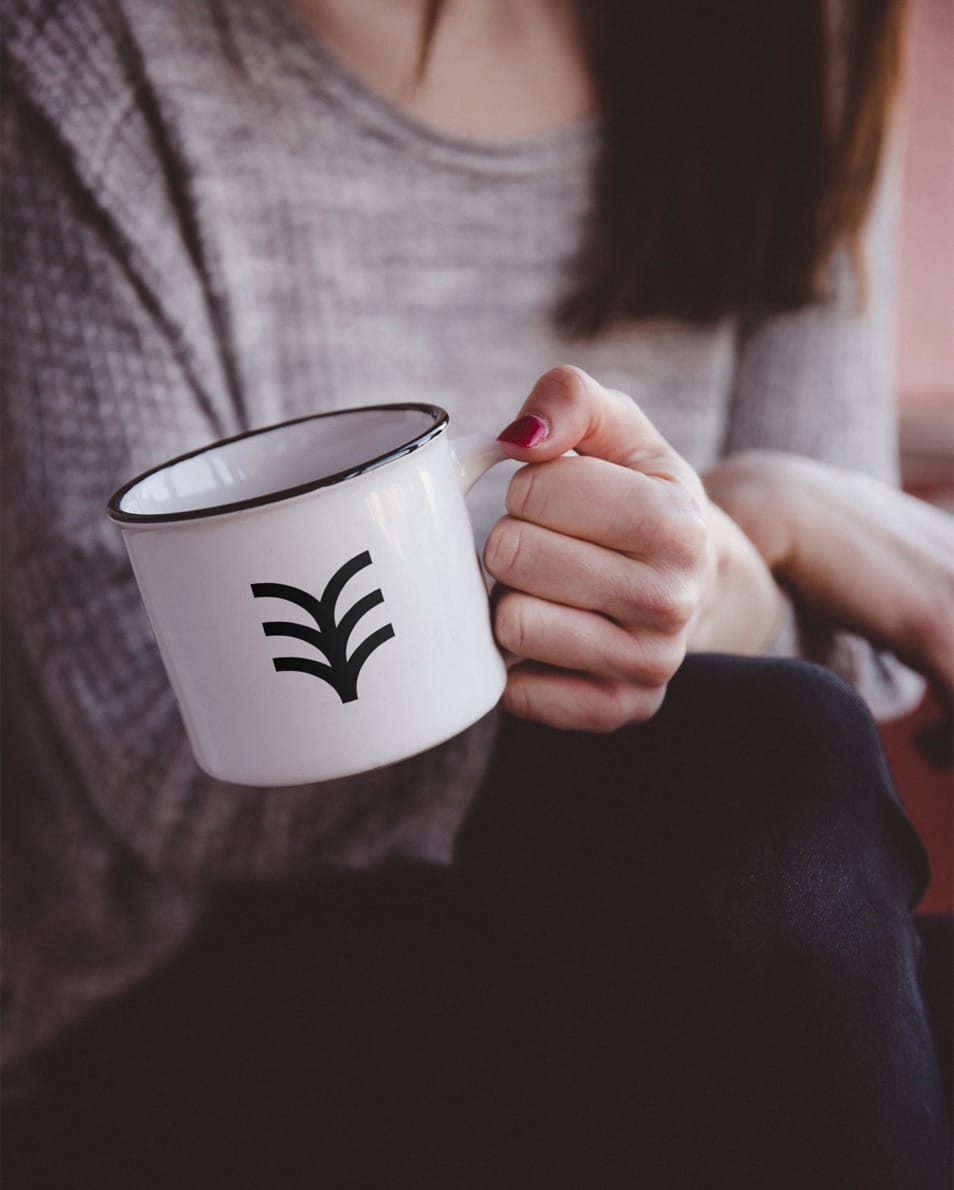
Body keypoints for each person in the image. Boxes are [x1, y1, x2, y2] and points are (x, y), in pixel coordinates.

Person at [1, 0, 951, 1185]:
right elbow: (161, 765)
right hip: (176, 985)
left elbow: (822, 670)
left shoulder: (793, 38)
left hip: (677, 878)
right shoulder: (85, 60)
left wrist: (729, 553)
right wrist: (736, 544)